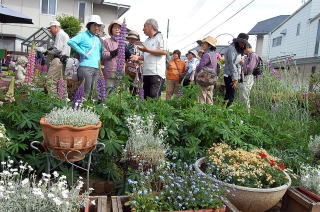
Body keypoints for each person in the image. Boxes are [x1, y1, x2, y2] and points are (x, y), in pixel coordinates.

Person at [67, 15, 103, 98]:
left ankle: (90, 110)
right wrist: (83, 53)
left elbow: (99, 53)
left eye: (98, 25)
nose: (97, 27)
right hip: (86, 67)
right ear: (89, 25)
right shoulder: (83, 35)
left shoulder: (97, 39)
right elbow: (70, 42)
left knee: (95, 93)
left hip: (97, 68)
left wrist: (99, 63)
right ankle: (80, 109)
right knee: (85, 92)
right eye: (94, 25)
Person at [131, 18, 167, 99]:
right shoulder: (147, 41)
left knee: (154, 97)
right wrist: (137, 57)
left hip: (156, 73)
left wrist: (147, 50)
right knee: (146, 97)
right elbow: (145, 56)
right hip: (146, 73)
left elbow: (164, 52)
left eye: (145, 26)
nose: (143, 29)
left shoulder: (160, 37)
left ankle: (154, 112)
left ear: (151, 26)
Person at [223, 33, 249, 108]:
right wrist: (235, 78)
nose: (243, 45)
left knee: (229, 95)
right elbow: (231, 64)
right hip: (229, 75)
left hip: (233, 75)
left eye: (244, 43)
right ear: (238, 41)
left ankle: (223, 111)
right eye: (242, 43)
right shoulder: (231, 49)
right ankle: (225, 111)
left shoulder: (237, 50)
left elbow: (236, 64)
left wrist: (240, 63)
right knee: (230, 95)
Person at [46, 20, 70, 97]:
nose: (50, 30)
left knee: (51, 80)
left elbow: (57, 49)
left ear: (56, 27)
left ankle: (52, 99)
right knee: (62, 81)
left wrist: (47, 52)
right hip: (65, 61)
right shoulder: (65, 34)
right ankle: (64, 100)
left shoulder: (59, 34)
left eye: (51, 28)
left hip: (58, 60)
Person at [195, 36, 219, 104]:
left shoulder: (206, 55)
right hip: (212, 79)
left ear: (209, 46)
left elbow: (200, 66)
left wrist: (197, 72)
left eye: (204, 43)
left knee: (202, 96)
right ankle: (209, 112)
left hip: (204, 79)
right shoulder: (214, 54)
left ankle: (201, 112)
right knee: (209, 96)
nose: (202, 45)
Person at [239, 44, 258, 110]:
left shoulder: (253, 55)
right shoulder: (248, 56)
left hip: (249, 76)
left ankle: (246, 113)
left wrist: (243, 63)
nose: (243, 52)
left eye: (243, 49)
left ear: (247, 48)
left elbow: (251, 67)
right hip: (246, 76)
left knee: (245, 95)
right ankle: (243, 111)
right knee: (243, 94)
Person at [125, 30, 143, 96]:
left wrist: (137, 60)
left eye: (134, 39)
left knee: (135, 89)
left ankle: (132, 103)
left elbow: (142, 61)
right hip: (126, 71)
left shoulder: (139, 49)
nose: (132, 40)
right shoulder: (124, 47)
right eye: (131, 38)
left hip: (136, 72)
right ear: (128, 39)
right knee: (126, 88)